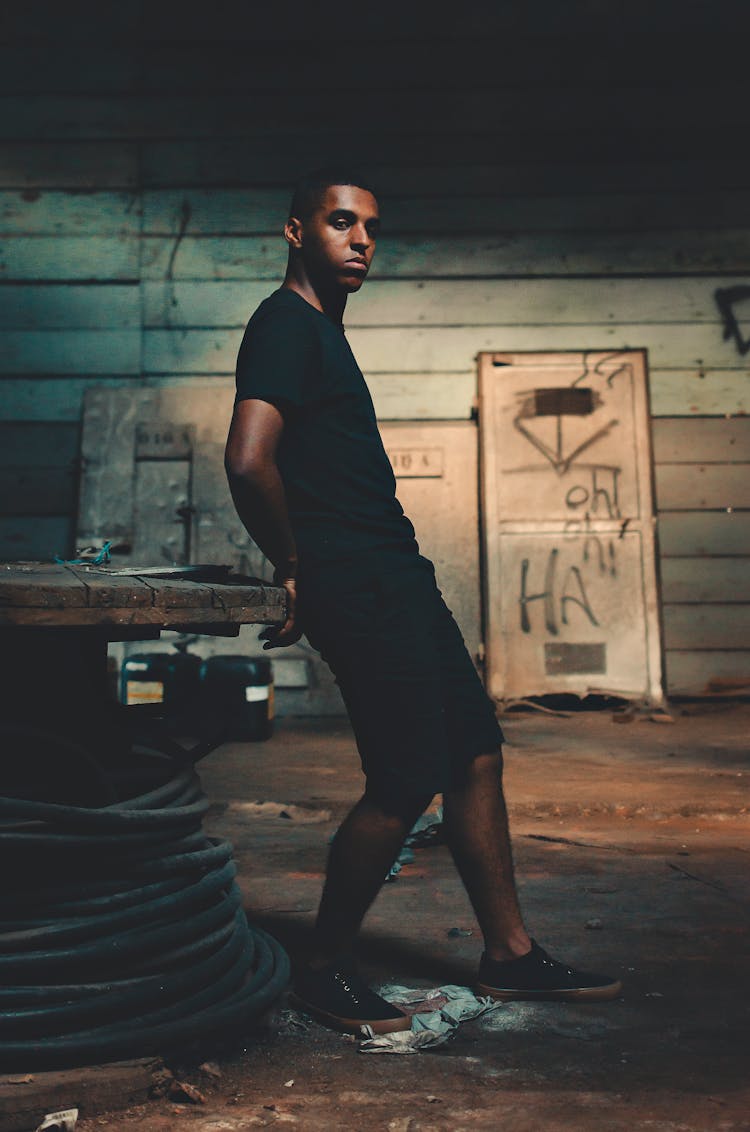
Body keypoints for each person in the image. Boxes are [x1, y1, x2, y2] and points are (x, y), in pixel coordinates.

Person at [224, 168, 622, 1035]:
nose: (361, 239)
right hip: (355, 582)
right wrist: (292, 564)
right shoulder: (286, 326)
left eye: (370, 227)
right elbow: (249, 460)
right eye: (340, 223)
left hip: (395, 573)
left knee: (474, 748)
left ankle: (509, 955)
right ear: (297, 232)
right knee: (404, 776)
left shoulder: (322, 331)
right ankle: (321, 970)